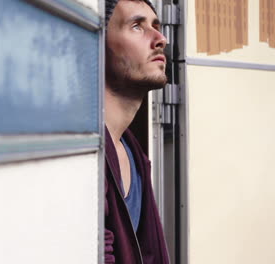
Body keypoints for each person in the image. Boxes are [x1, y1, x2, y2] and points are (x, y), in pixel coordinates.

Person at [104, 0, 169, 263]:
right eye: (136, 26)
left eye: (155, 26)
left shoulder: (134, 154)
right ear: (99, 44)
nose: (160, 39)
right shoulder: (85, 156)